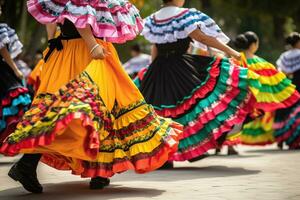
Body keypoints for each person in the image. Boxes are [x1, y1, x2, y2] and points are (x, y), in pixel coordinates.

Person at [0, 0, 182, 194]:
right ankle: (33, 166)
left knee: (69, 111)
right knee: (80, 109)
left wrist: (54, 39)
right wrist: (92, 45)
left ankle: (90, 170)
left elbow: (53, 18)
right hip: (87, 53)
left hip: (71, 52)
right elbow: (81, 18)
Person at [135, 0, 299, 163]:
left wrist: (151, 70)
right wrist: (230, 51)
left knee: (163, 111)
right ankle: (192, 148)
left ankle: (166, 157)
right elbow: (201, 37)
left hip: (158, 68)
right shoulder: (183, 15)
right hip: (181, 66)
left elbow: (155, 47)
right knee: (193, 108)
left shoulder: (153, 19)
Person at [226, 31, 299, 147]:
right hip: (253, 100)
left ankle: (226, 144)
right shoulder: (260, 62)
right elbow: (272, 78)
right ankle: (231, 144)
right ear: (253, 45)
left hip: (234, 96)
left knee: (230, 119)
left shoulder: (234, 60)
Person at [0, 22, 31, 143]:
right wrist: (15, 69)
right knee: (15, 99)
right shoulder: (1, 28)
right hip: (3, 73)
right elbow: (3, 50)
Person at [273, 32, 300, 149]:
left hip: (286, 86)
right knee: (297, 112)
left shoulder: (284, 56)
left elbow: (280, 70)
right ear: (298, 42)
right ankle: (294, 140)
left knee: (284, 111)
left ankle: (281, 139)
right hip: (299, 85)